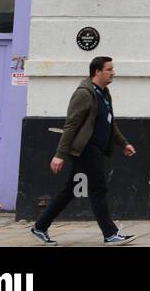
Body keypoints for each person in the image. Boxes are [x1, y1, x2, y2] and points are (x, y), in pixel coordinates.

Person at [30, 56, 136, 245]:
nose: (113, 72)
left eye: (112, 69)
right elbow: (71, 125)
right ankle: (110, 234)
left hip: (95, 148)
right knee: (98, 189)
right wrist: (59, 155)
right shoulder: (84, 94)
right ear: (97, 72)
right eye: (109, 69)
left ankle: (40, 227)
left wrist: (124, 143)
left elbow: (110, 123)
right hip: (86, 149)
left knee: (70, 190)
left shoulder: (104, 93)